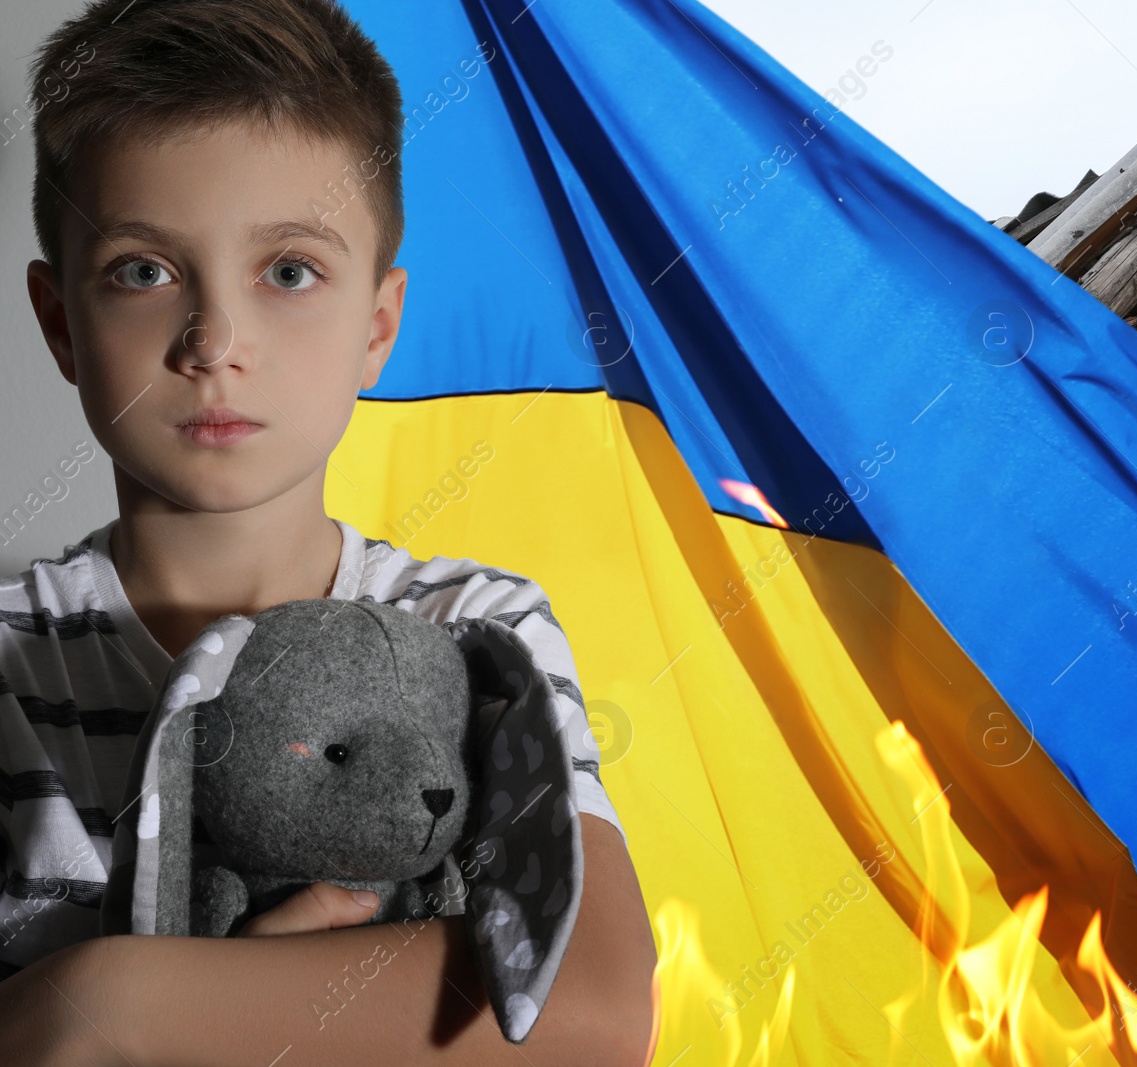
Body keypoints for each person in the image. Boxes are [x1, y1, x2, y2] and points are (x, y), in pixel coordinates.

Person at [2, 0, 657, 1063]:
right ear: (61, 323)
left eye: (290, 270)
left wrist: (100, 1002)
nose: (216, 341)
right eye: (143, 270)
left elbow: (587, 1012)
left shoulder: (471, 630)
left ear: (378, 325)